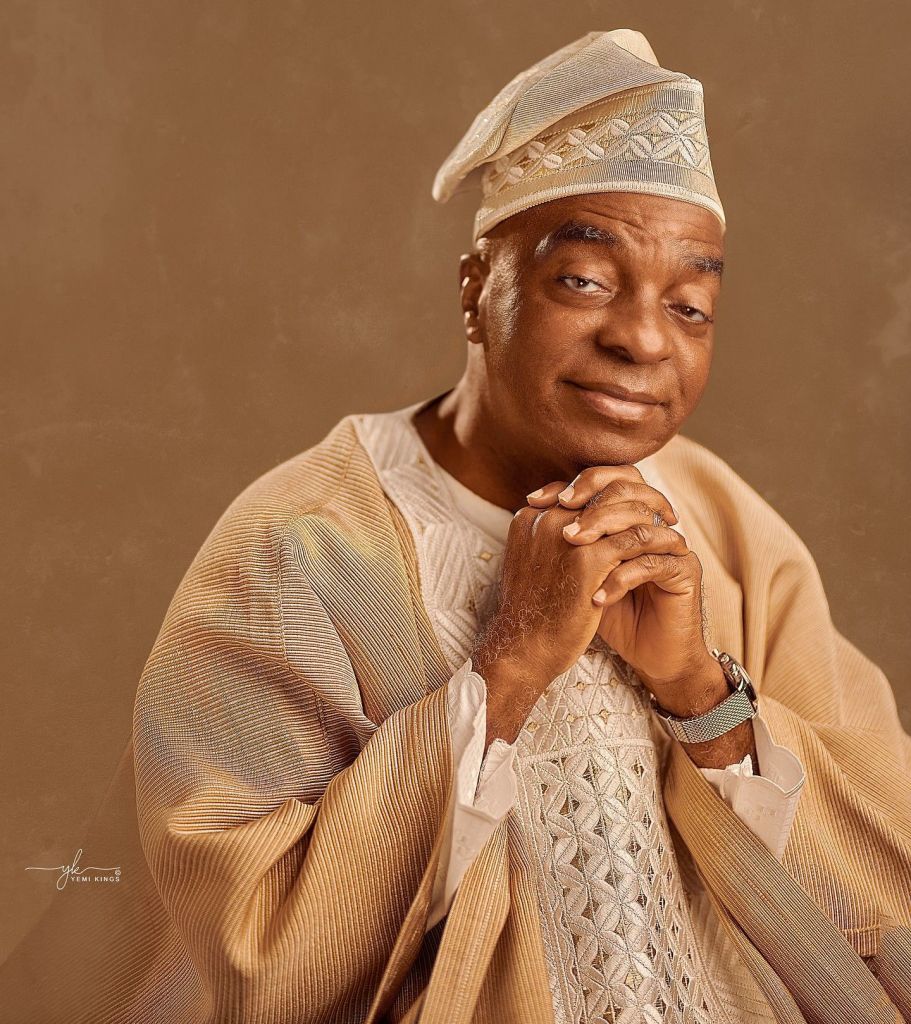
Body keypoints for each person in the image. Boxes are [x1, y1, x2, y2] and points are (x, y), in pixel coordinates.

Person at [2, 27, 909, 1024]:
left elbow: (880, 881)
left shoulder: (726, 528)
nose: (643, 337)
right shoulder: (302, 546)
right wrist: (504, 670)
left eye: (688, 305)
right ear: (477, 291)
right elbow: (259, 956)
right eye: (584, 281)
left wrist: (697, 691)